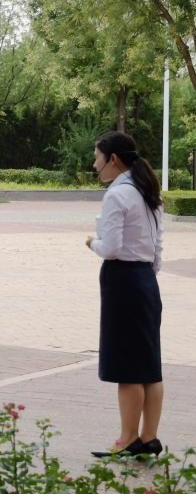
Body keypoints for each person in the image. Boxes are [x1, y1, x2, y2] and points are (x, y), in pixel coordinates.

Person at [86, 131, 165, 458]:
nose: (95, 165)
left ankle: (128, 439)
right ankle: (148, 438)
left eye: (97, 157)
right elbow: (158, 248)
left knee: (127, 366)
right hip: (146, 280)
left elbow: (112, 247)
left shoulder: (117, 194)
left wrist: (92, 243)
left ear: (113, 159)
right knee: (149, 365)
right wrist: (144, 275)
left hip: (123, 281)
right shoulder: (148, 191)